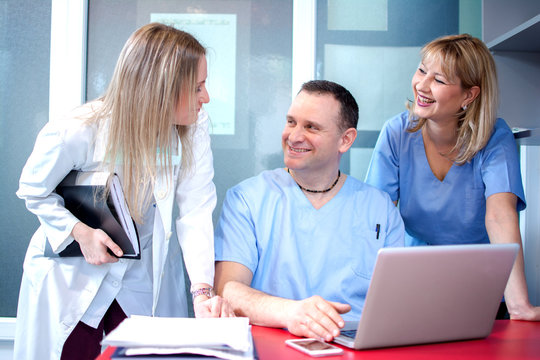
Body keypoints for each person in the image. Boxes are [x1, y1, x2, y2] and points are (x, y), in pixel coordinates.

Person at [14, 23, 233, 360]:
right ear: (159, 90)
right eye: (198, 87)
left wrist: (202, 290)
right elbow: (32, 189)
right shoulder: (79, 129)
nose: (206, 97)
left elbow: (196, 210)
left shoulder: (193, 129)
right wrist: (80, 232)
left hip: (142, 281)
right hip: (74, 279)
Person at [365, 34, 540, 321]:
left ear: (469, 95)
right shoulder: (397, 133)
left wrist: (520, 306)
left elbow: (499, 216)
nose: (421, 85)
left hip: (478, 288)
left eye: (439, 80)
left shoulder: (495, 137)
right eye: (422, 70)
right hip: (412, 284)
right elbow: (375, 218)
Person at [214, 80, 404, 342]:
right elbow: (228, 290)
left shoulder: (381, 209)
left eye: (311, 127)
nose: (294, 136)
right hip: (272, 346)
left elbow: (398, 304)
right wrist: (291, 312)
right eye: (291, 122)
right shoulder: (247, 199)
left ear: (345, 140)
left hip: (356, 347)